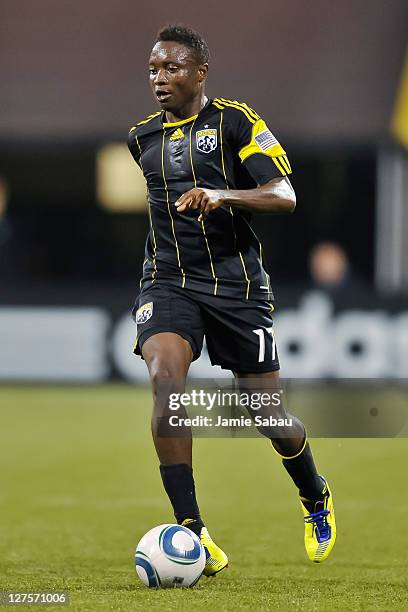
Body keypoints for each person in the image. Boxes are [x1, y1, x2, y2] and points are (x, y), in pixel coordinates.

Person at [128, 24, 336, 574]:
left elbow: (284, 195)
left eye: (172, 68)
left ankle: (314, 495)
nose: (159, 79)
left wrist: (222, 195)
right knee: (166, 383)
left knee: (267, 413)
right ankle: (193, 531)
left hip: (236, 286)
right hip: (168, 280)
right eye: (153, 69)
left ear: (200, 72)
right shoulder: (142, 138)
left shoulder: (236, 121)